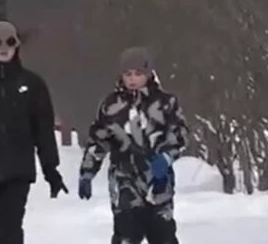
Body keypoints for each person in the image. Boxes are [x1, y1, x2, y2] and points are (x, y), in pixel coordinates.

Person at [0, 20, 66, 244]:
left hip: (18, 170)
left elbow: (43, 131)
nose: (3, 47)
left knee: (10, 227)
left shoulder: (32, 84)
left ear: (17, 46)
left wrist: (51, 169)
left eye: (10, 42)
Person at [76, 47, 188, 244]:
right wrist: (87, 172)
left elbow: (179, 136)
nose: (132, 79)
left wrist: (167, 157)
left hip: (159, 180)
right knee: (126, 235)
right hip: (124, 180)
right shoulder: (111, 105)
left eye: (138, 73)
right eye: (128, 74)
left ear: (148, 73)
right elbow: (99, 140)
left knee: (163, 235)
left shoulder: (165, 103)